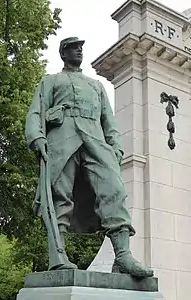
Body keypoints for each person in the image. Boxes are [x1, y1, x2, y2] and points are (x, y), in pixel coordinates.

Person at [25, 37, 153, 277]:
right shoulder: (50, 81)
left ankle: (123, 255)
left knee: (114, 188)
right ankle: (58, 256)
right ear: (63, 53)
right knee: (59, 197)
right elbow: (36, 112)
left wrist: (116, 147)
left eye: (81, 48)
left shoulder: (96, 85)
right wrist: (37, 137)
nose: (79, 51)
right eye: (73, 48)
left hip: (95, 139)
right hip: (61, 142)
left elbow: (109, 121)